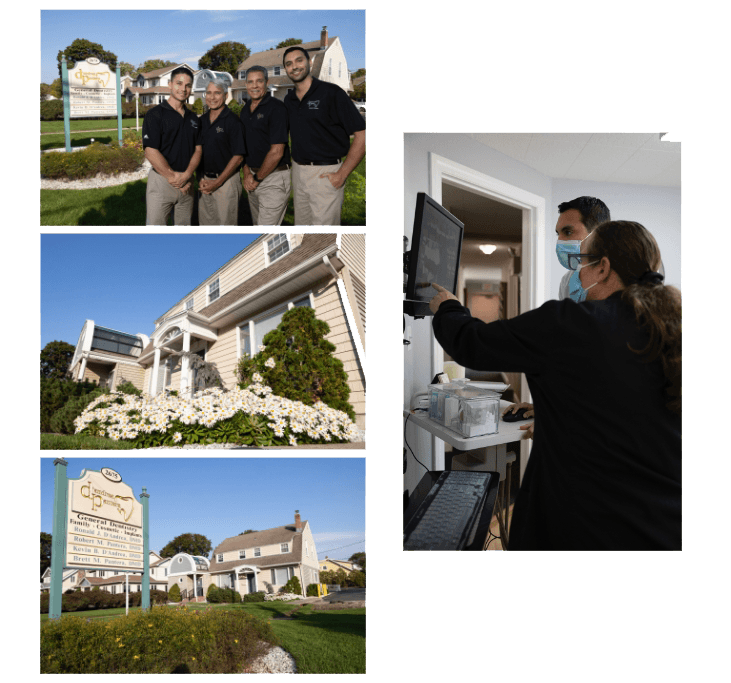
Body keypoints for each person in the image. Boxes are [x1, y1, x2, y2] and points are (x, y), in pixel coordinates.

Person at [430, 221, 681, 550]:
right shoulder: (674, 325)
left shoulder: (572, 322)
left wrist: (447, 306)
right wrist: (555, 410)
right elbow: (630, 400)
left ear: (603, 268)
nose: (578, 272)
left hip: (590, 524)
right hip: (668, 523)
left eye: (582, 262)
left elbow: (471, 343)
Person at [506, 196, 612, 437]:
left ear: (598, 232)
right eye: (558, 233)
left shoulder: (616, 283)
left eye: (568, 231)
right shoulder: (570, 281)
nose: (560, 241)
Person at [282, 46, 366, 226]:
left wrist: (342, 174)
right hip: (298, 171)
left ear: (310, 63)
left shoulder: (332, 93)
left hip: (325, 173)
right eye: (289, 64)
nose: (294, 66)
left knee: (324, 231)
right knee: (301, 227)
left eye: (299, 60)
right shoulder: (289, 100)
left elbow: (363, 135)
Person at [142, 67, 202, 226]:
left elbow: (198, 149)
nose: (183, 89)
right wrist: (174, 178)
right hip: (162, 180)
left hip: (187, 182)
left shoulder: (193, 118)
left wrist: (187, 175)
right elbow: (150, 150)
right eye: (179, 83)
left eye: (188, 85)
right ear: (170, 84)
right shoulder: (155, 115)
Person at [239, 66, 291, 226]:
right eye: (250, 82)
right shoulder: (245, 110)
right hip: (253, 176)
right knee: (257, 226)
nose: (254, 86)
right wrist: (247, 172)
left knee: (266, 229)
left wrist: (257, 178)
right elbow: (244, 145)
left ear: (267, 83)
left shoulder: (276, 108)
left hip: (273, 178)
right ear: (246, 85)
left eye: (259, 81)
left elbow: (277, 151)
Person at [198, 79, 246, 226]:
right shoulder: (202, 121)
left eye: (217, 93)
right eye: (209, 93)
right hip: (205, 181)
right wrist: (200, 177)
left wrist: (217, 182)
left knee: (226, 227)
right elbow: (198, 151)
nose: (212, 97)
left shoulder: (233, 121)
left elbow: (238, 157)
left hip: (226, 182)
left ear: (225, 96)